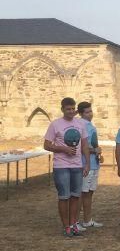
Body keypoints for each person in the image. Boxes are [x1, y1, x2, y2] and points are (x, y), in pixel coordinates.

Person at [44, 97, 90, 237]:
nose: (70, 111)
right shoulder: (55, 124)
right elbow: (46, 145)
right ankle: (66, 227)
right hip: (61, 166)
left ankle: (74, 224)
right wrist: (64, 149)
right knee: (64, 197)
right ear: (62, 109)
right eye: (68, 109)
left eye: (72, 109)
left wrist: (87, 163)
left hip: (77, 166)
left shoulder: (80, 124)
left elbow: (84, 145)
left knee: (76, 196)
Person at [77, 101, 103, 228]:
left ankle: (87, 220)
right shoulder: (82, 125)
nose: (90, 114)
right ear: (81, 113)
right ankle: (75, 222)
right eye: (87, 112)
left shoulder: (90, 125)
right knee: (83, 193)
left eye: (90, 111)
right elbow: (82, 146)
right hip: (86, 164)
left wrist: (98, 154)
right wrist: (94, 150)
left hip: (94, 163)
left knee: (89, 193)